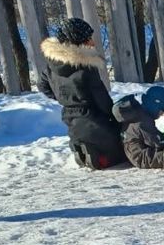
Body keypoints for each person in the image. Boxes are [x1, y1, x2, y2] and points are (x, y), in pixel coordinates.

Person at [37, 17, 125, 170]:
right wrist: (115, 117)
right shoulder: (85, 66)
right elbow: (102, 100)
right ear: (78, 41)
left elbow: (43, 86)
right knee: (121, 146)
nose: (92, 42)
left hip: (71, 119)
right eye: (88, 39)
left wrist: (64, 98)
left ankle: (86, 152)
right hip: (95, 117)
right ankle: (102, 156)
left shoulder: (52, 65)